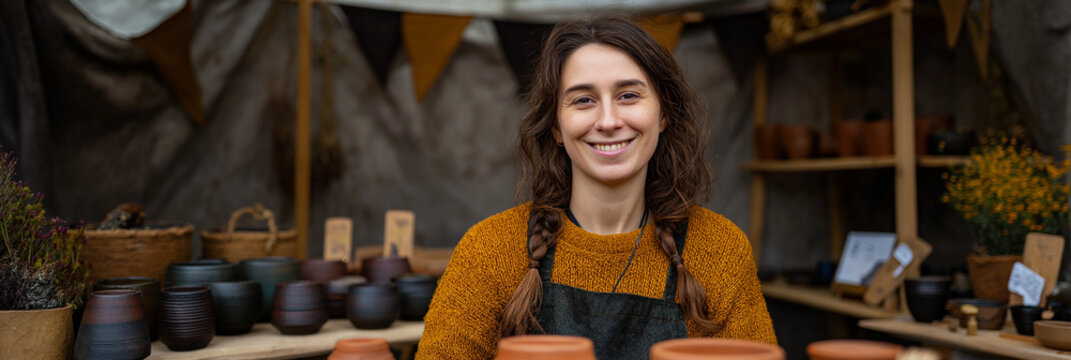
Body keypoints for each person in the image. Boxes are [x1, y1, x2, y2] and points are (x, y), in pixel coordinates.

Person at [416, 15, 775, 359]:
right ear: (556, 126)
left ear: (663, 114)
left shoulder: (719, 251)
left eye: (628, 95)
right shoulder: (490, 251)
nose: (607, 121)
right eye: (583, 100)